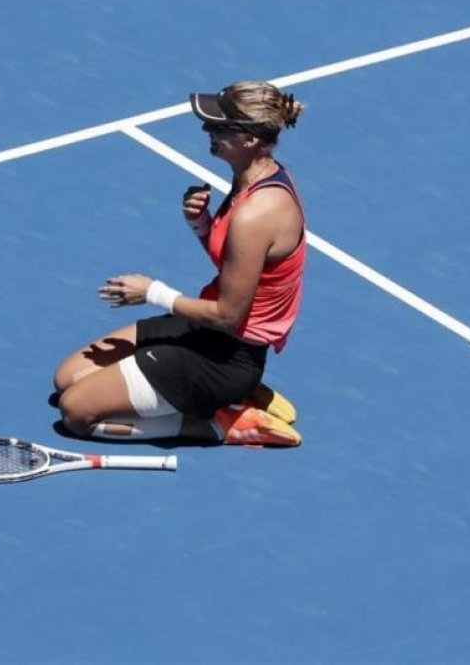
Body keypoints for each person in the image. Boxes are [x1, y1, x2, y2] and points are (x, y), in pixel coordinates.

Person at [52, 81, 307, 447]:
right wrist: (201, 224)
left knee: (76, 413)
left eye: (219, 126)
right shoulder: (255, 178)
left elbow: (227, 315)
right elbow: (237, 261)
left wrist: (152, 292)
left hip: (226, 357)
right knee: (67, 378)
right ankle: (229, 394)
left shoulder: (257, 212)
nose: (208, 131)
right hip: (206, 333)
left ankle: (222, 423)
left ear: (250, 138)